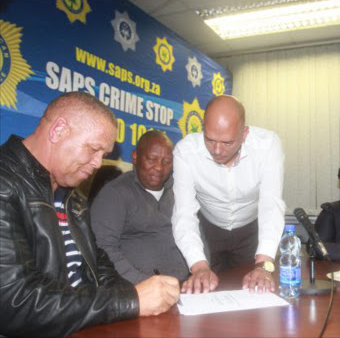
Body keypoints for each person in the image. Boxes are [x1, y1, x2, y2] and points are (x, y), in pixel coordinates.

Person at [0, 92, 180, 337]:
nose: (97, 164)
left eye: (103, 156)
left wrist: (145, 292)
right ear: (58, 131)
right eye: (93, 150)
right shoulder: (5, 184)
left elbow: (99, 264)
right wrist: (131, 300)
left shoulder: (71, 195)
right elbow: (14, 302)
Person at [172, 95, 285, 294]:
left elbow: (271, 206)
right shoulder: (186, 151)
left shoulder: (267, 145)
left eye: (227, 143)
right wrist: (199, 267)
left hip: (251, 231)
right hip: (208, 231)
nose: (217, 150)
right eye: (210, 139)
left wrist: (263, 265)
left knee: (254, 293)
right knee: (205, 292)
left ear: (244, 134)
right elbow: (184, 213)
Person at [91, 130, 189, 284]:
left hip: (188, 285)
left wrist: (199, 269)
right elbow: (103, 249)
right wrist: (143, 284)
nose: (159, 167)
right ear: (135, 157)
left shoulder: (180, 191)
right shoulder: (114, 194)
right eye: (151, 159)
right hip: (141, 290)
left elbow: (196, 233)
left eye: (166, 161)